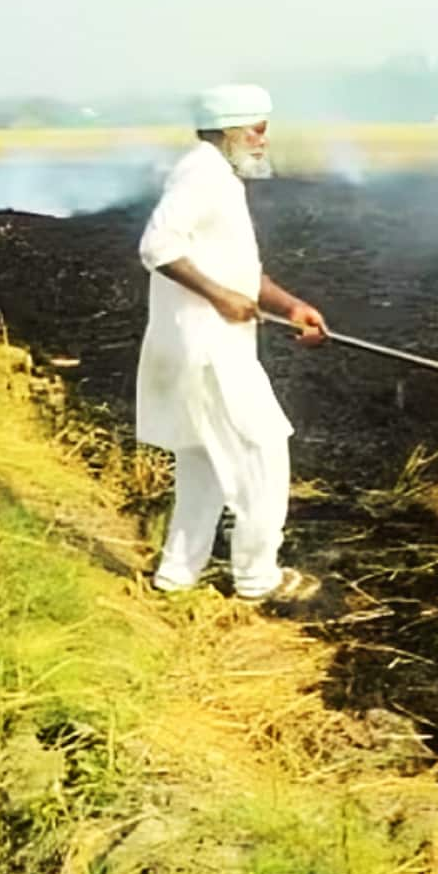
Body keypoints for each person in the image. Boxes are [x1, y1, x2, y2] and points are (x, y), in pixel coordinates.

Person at [136, 84, 327, 601]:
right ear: (232, 130)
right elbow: (157, 246)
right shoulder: (201, 175)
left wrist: (289, 306)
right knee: (262, 451)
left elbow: (243, 271)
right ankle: (257, 578)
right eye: (258, 129)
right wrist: (221, 298)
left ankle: (176, 575)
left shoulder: (219, 176)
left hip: (204, 347)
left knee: (203, 459)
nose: (264, 139)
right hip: (208, 348)